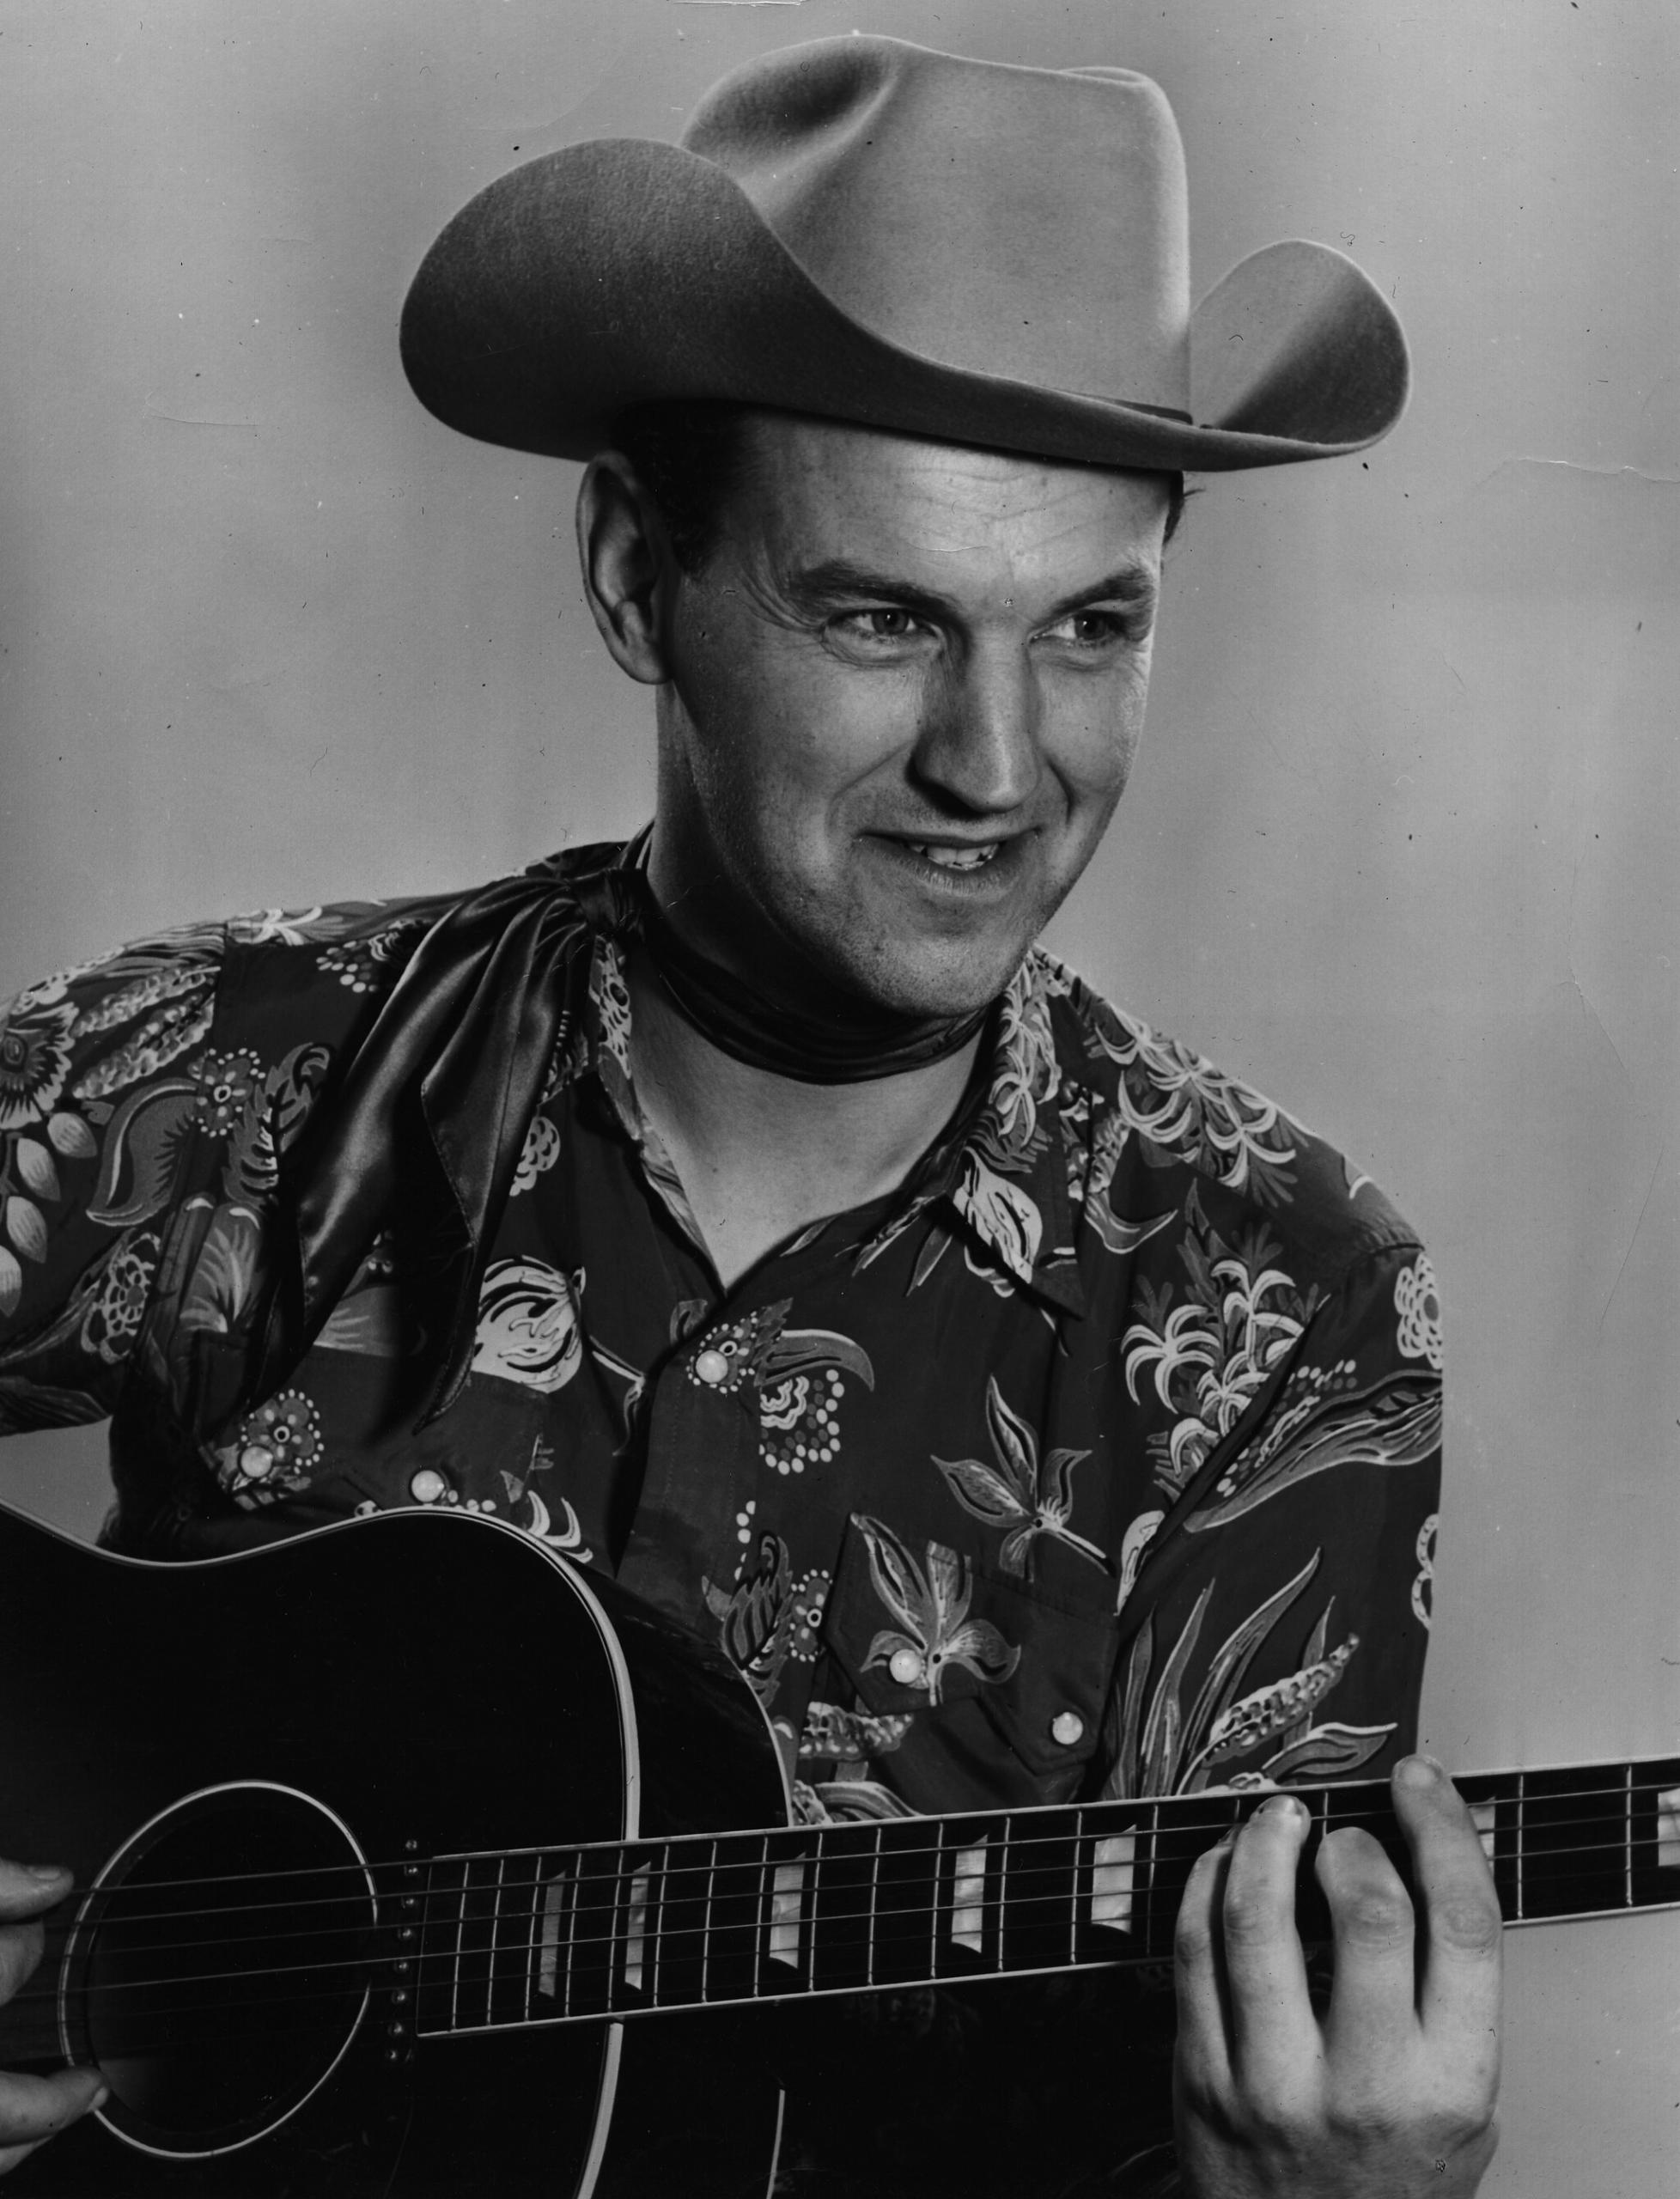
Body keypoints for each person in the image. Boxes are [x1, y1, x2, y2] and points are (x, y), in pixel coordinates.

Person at [0, 34, 1500, 2197]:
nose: (998, 762)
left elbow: (1271, 2065)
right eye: (883, 613)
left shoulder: (1284, 1314)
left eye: (1091, 626)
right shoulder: (247, 1074)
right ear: (635, 577)